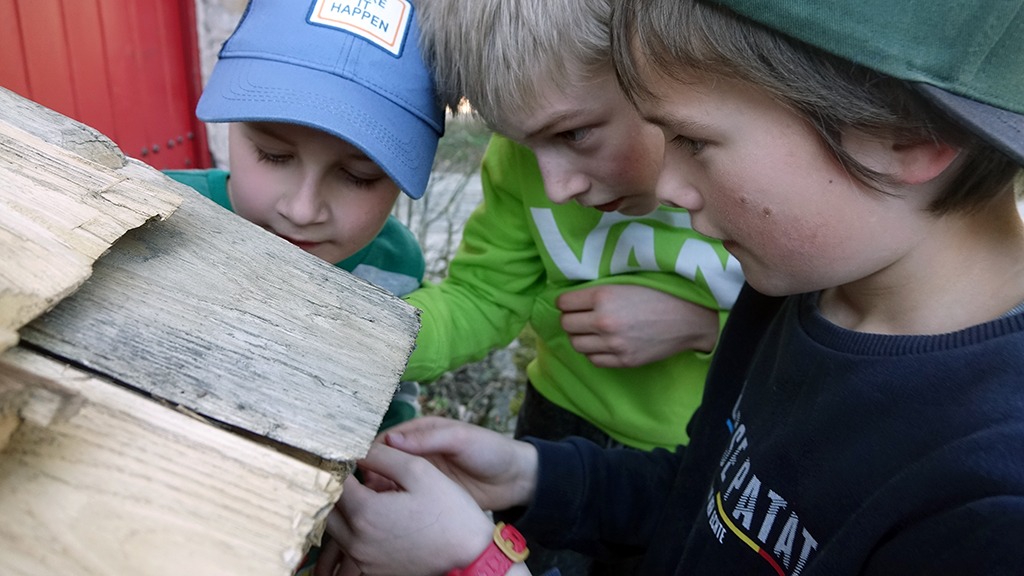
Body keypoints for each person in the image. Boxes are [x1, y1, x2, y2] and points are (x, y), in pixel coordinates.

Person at [320, 0, 1024, 574]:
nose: (669, 186)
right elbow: (710, 504)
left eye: (691, 140)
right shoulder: (796, 295)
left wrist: (479, 565)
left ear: (900, 132)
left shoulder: (988, 506)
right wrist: (536, 474)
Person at [404, 1, 744, 572]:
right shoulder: (524, 163)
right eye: (524, 144)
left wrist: (707, 328)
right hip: (555, 431)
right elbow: (483, 297)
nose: (556, 186)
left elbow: (816, 328)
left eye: (576, 134)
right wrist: (366, 337)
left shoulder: (749, 182)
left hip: (705, 450)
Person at [164, 0, 444, 436]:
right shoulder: (158, 211)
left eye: (359, 176)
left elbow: (386, 396)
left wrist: (389, 446)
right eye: (273, 155)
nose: (302, 210)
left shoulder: (394, 268)